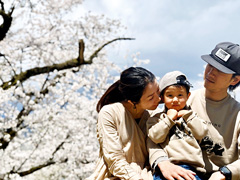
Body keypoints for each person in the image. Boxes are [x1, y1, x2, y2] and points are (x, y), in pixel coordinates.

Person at [148, 42, 240, 180]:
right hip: (180, 173)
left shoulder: (237, 114)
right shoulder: (181, 100)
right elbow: (154, 135)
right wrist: (162, 162)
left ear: (235, 80)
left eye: (220, 70)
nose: (211, 72)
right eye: (210, 65)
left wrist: (224, 173)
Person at [86, 67, 161, 180]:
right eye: (151, 97)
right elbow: (114, 157)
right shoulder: (110, 113)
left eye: (158, 91)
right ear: (132, 101)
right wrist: (133, 177)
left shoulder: (156, 114)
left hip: (149, 174)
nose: (158, 99)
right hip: (115, 175)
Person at [147, 71, 208, 180]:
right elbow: (155, 137)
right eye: (170, 95)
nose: (175, 99)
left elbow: (201, 133)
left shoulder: (192, 116)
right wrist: (169, 119)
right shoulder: (156, 119)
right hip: (166, 169)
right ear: (162, 97)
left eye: (180, 95)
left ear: (188, 96)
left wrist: (188, 116)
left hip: (192, 170)